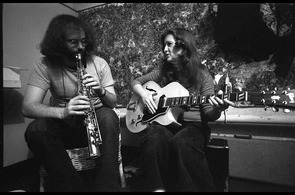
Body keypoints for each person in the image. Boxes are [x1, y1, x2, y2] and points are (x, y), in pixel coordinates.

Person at [22, 14, 121, 192]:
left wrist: (100, 90)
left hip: (95, 123)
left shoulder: (99, 63)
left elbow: (113, 102)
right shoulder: (45, 65)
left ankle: (107, 188)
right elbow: (28, 106)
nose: (81, 47)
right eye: (73, 42)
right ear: (59, 43)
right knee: (36, 129)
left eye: (83, 41)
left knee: (108, 115)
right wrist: (63, 112)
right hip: (64, 125)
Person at [130, 28, 233, 192]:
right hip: (167, 125)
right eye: (164, 45)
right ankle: (156, 188)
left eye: (169, 45)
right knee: (153, 137)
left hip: (194, 127)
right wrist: (143, 94)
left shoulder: (203, 75)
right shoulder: (163, 72)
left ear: (183, 47)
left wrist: (218, 109)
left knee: (182, 142)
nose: (165, 49)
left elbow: (208, 113)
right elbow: (135, 82)